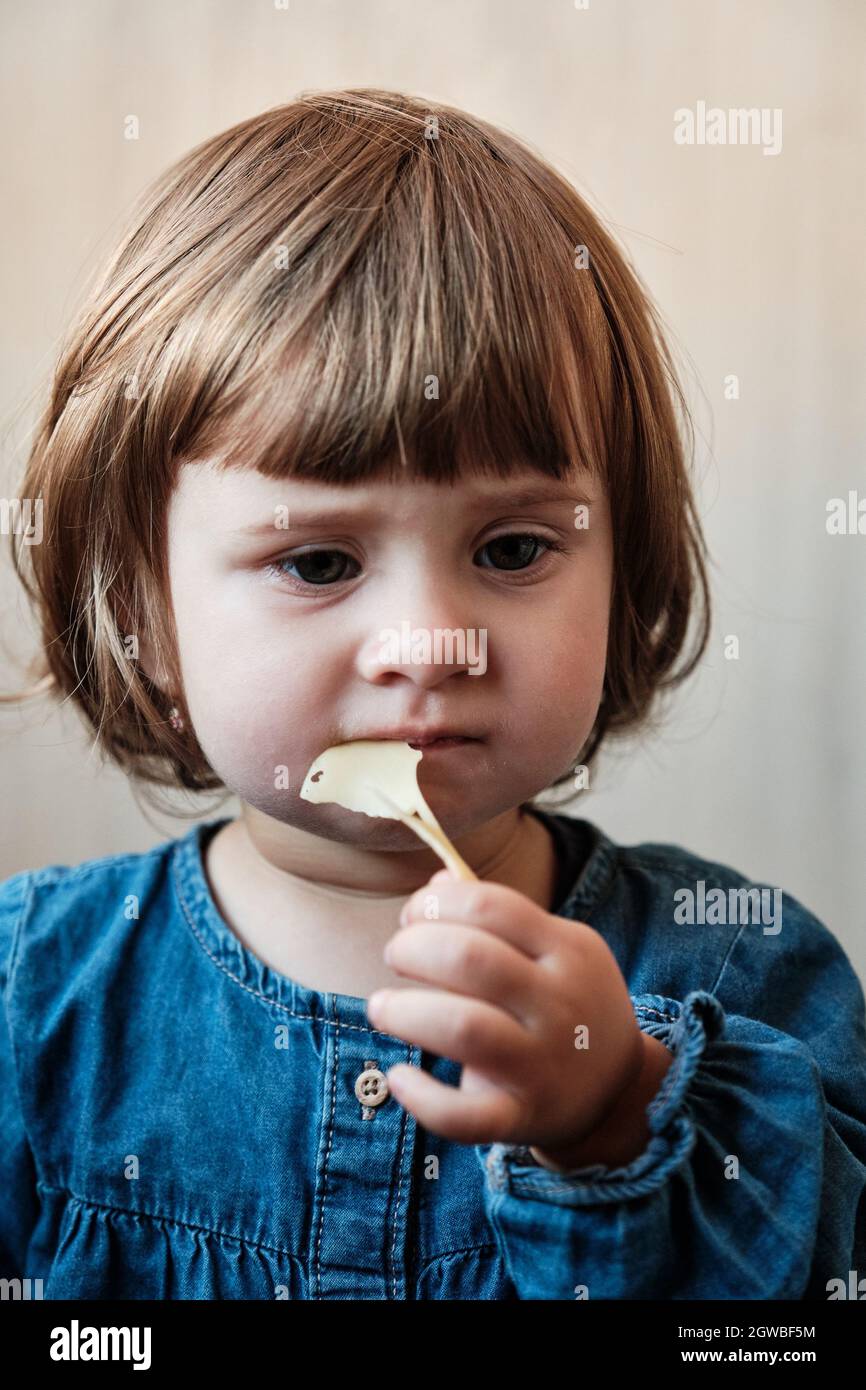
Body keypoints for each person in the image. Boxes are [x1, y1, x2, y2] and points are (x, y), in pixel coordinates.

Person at [1, 88, 863, 1300]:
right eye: (317, 561)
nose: (431, 642)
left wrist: (617, 1113)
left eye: (511, 550)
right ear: (141, 613)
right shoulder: (31, 1000)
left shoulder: (746, 974)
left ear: (626, 576)